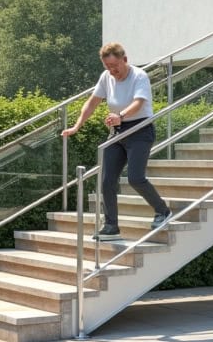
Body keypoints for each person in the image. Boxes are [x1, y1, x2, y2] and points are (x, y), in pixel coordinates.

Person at [62, 42, 171, 240]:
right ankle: (111, 226)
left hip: (140, 130)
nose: (113, 72)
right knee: (106, 180)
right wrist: (77, 126)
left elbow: (139, 102)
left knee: (135, 178)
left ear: (125, 60)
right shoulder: (106, 77)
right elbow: (92, 102)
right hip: (118, 131)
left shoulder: (139, 76)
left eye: (116, 67)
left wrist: (120, 115)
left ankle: (163, 210)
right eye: (108, 67)